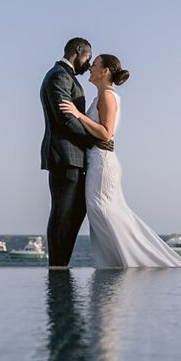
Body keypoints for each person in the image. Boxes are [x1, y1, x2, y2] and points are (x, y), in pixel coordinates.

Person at [59, 54, 181, 268]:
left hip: (102, 163)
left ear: (105, 71)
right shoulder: (102, 97)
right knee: (102, 212)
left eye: (95, 65)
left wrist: (78, 115)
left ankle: (139, 262)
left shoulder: (108, 96)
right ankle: (120, 262)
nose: (90, 67)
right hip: (98, 160)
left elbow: (106, 133)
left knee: (104, 210)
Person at [40, 37, 110, 268]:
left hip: (75, 158)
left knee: (74, 212)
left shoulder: (64, 76)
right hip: (65, 157)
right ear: (78, 51)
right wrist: (95, 140)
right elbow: (66, 119)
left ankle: (62, 263)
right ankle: (57, 266)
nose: (88, 64)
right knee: (62, 213)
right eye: (88, 58)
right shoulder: (59, 76)